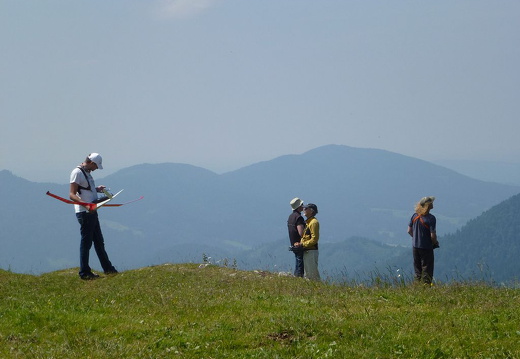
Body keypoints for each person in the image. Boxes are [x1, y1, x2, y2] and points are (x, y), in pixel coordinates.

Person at [69, 153, 118, 280]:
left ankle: (109, 269)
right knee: (86, 243)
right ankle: (84, 272)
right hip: (85, 212)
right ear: (91, 162)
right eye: (96, 166)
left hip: (92, 211)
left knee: (99, 242)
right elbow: (72, 194)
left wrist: (97, 189)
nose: (96, 169)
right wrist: (86, 206)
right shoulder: (77, 172)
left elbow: (84, 189)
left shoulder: (87, 173)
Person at [407, 196, 439, 284]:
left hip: (415, 246)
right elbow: (432, 236)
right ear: (428, 205)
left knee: (418, 269)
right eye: (431, 203)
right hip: (426, 247)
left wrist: (416, 238)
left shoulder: (414, 216)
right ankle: (426, 288)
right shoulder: (431, 218)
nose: (433, 204)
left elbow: (409, 231)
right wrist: (435, 243)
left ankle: (417, 286)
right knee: (427, 269)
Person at [294, 203, 320, 281]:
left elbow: (314, 239)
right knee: (308, 274)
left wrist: (302, 244)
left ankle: (317, 289)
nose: (303, 210)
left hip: (311, 251)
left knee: (312, 275)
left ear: (311, 211)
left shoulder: (313, 222)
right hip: (308, 250)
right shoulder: (309, 222)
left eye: (306, 209)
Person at [287, 197, 305, 277]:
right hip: (299, 244)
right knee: (300, 261)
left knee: (297, 260)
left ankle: (297, 275)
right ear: (298, 207)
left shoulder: (291, 217)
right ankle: (299, 277)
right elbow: (301, 233)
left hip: (293, 243)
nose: (303, 206)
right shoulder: (299, 218)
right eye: (301, 205)